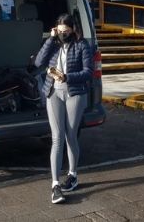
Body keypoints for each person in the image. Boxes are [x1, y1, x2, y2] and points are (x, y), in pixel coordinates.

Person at [34, 13, 93, 204]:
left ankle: (73, 174)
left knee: (70, 135)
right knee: (57, 137)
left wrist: (68, 77)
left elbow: (88, 72)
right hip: (53, 93)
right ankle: (55, 185)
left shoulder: (82, 45)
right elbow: (38, 62)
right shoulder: (53, 44)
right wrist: (51, 39)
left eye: (65, 31)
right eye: (59, 32)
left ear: (73, 29)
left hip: (74, 93)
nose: (62, 35)